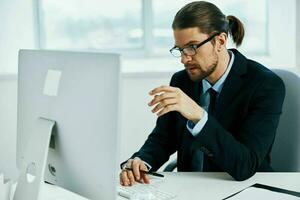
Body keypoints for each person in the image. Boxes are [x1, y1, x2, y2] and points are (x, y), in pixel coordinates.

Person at [119, 1, 285, 186]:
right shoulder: (181, 81)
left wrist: (198, 115)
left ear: (220, 41)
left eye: (192, 47)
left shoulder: (265, 85)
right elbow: (163, 138)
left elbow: (244, 165)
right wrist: (142, 161)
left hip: (242, 189)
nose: (184, 58)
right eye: (180, 49)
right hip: (191, 190)